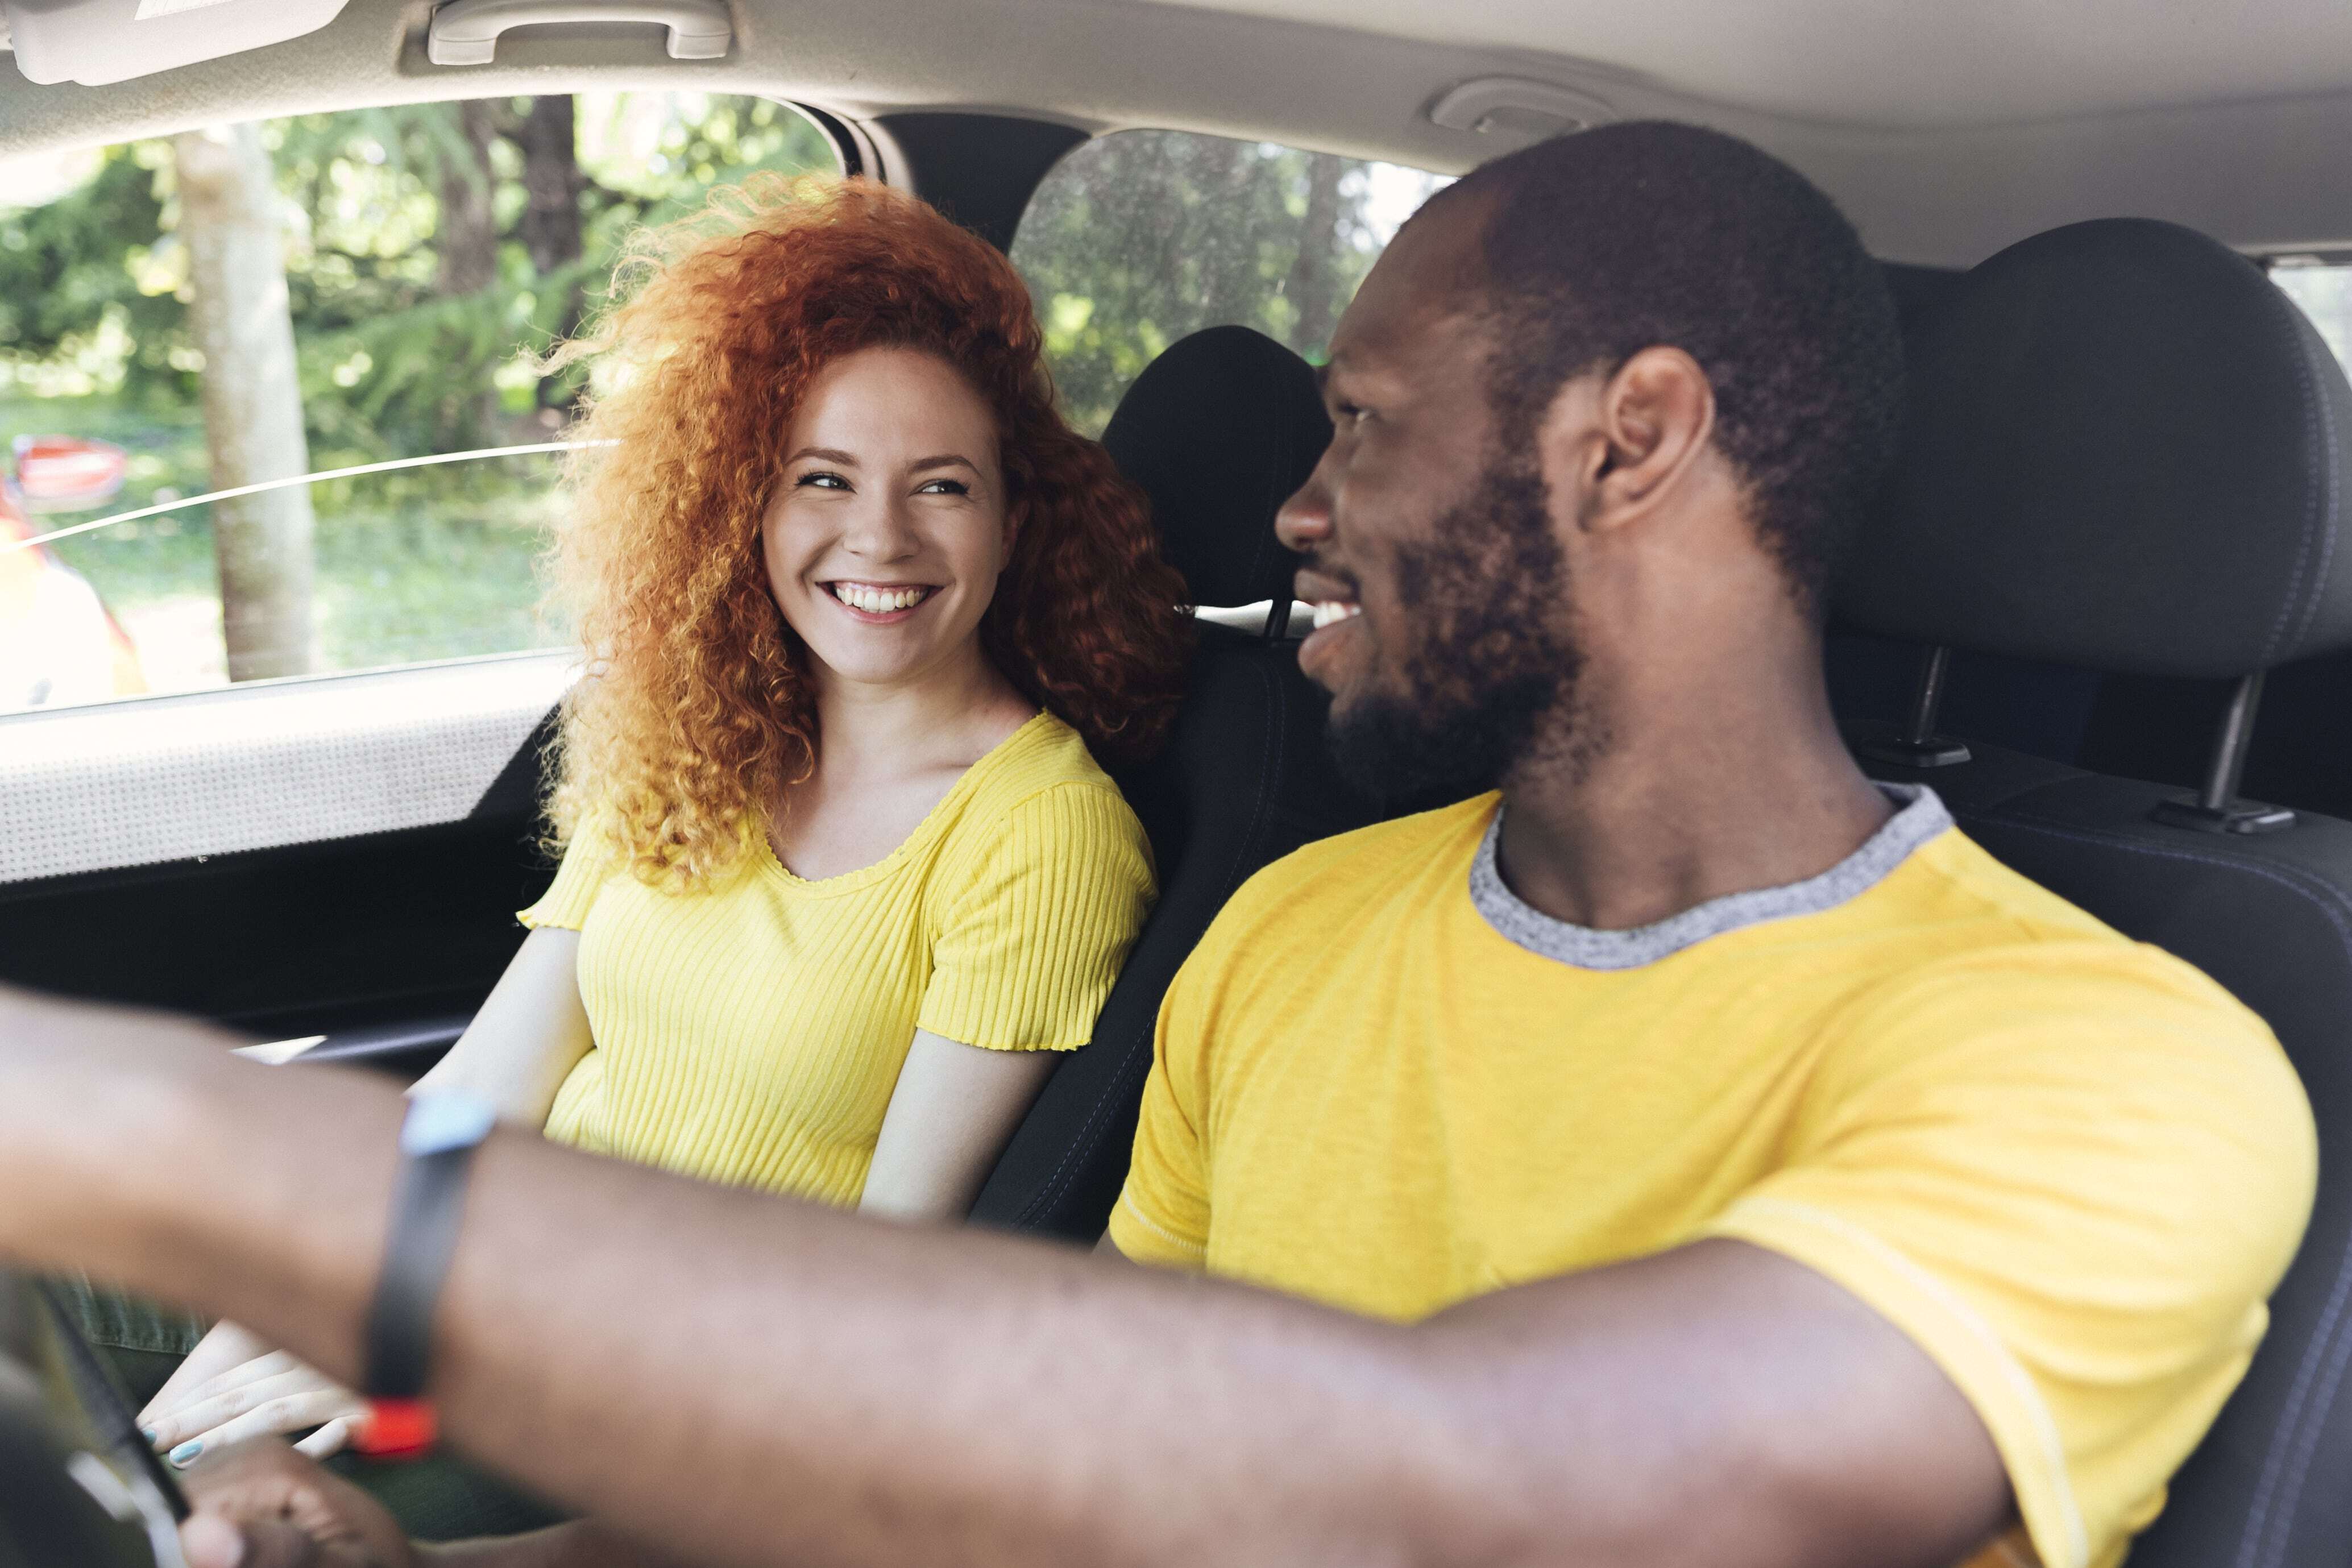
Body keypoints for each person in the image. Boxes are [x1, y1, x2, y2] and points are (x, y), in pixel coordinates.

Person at [0, 122, 2315, 1568]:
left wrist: (216, 1161)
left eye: (1359, 424)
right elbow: (1000, 1503)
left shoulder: (2112, 1065)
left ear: (1631, 443)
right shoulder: (1294, 929)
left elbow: (1474, 1494)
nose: (1290, 506)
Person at [81, 175, 1187, 1514]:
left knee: (187, 1496)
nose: (878, 537)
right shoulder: (698, 736)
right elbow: (474, 1095)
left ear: (1013, 524)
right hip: (477, 1289)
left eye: (940, 487)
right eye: (821, 479)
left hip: (641, 1406)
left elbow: (874, 1287)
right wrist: (327, 1299)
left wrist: (438, 1355)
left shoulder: (1041, 830)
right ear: (747, 508)